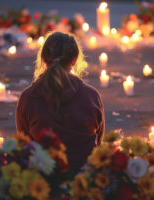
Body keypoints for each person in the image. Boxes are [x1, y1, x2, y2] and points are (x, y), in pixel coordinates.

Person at [16, 32, 104, 170]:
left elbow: (23, 145)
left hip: (44, 177)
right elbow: (98, 141)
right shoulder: (91, 95)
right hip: (85, 178)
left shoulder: (28, 98)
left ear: (43, 58)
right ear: (74, 60)